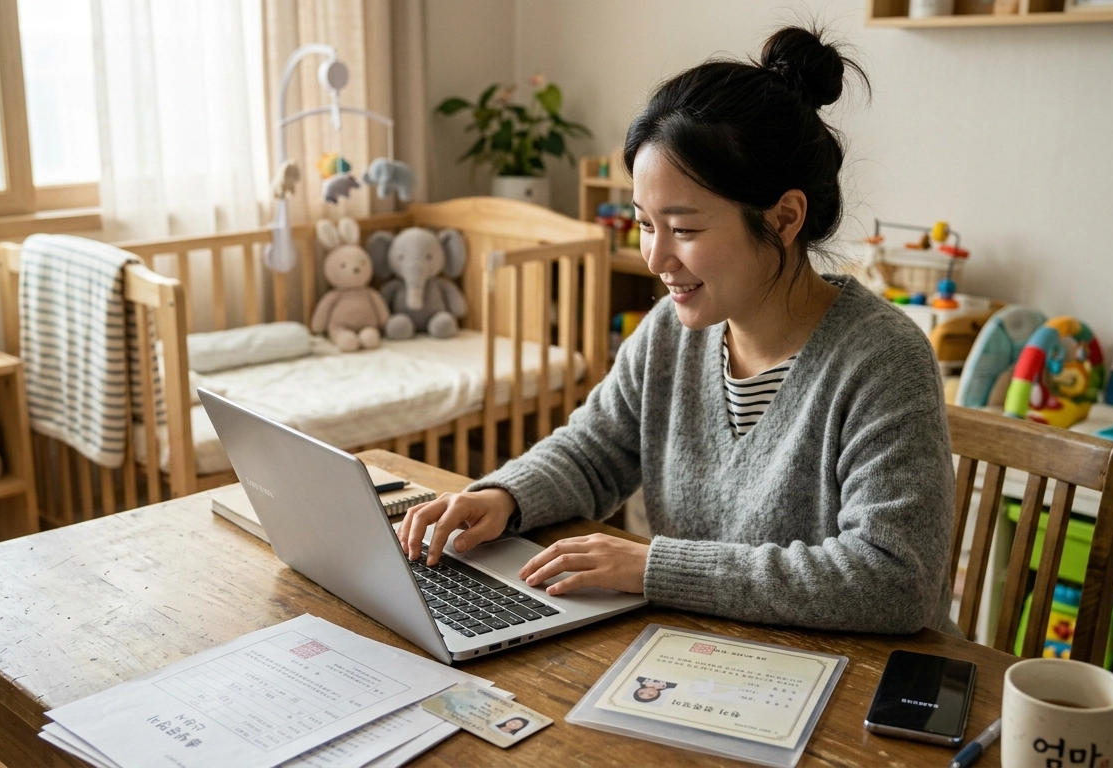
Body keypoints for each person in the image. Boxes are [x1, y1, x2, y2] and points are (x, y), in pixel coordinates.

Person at [398, 26, 957, 636]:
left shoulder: (882, 359)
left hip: (846, 691)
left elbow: (895, 579)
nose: (655, 257)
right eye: (643, 224)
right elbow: (594, 451)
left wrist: (653, 567)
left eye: (684, 229)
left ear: (785, 217)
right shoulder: (671, 331)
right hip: (701, 655)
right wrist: (504, 498)